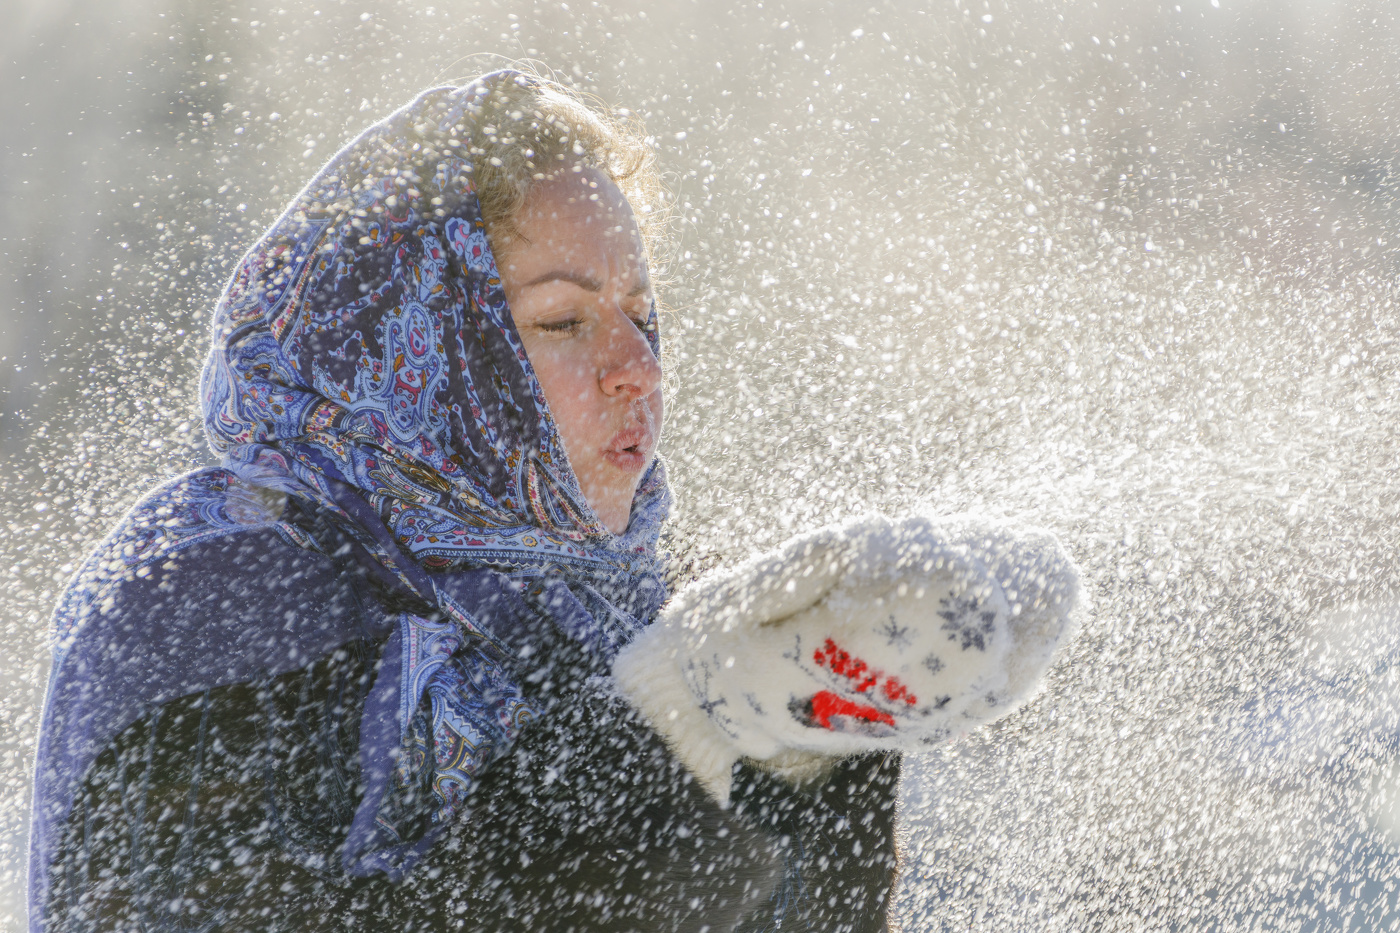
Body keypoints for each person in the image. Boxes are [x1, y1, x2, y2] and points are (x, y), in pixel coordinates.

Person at [29, 69, 1080, 933]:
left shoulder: (639, 614)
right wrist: (665, 733)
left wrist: (818, 757)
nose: (635, 368)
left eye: (639, 312)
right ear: (419, 348)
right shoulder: (215, 597)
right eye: (563, 322)